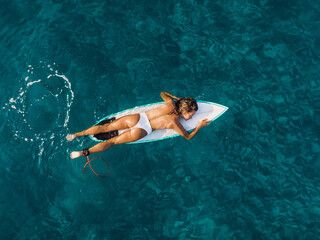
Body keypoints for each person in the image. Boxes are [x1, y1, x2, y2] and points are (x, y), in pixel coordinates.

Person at [66, 92, 211, 159]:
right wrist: (199, 126)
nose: (191, 116)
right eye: (191, 113)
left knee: (105, 128)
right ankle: (82, 153)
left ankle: (76, 135)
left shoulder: (169, 104)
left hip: (137, 118)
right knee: (112, 141)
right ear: (185, 110)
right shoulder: (175, 123)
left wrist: (176, 98)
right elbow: (187, 136)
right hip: (143, 130)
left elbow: (162, 93)